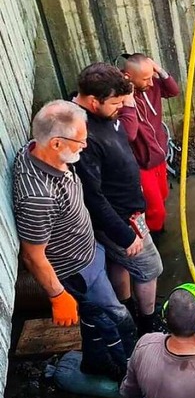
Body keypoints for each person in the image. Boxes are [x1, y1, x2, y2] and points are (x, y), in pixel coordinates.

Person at [12, 100, 137, 381]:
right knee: (117, 320)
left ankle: (94, 361)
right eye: (80, 141)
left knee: (93, 317)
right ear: (56, 143)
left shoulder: (36, 149)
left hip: (88, 252)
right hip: (76, 270)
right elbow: (32, 255)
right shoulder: (38, 197)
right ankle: (128, 375)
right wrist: (57, 296)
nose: (85, 145)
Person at [72, 62, 163, 335]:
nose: (120, 108)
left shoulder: (104, 116)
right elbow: (93, 196)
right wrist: (125, 235)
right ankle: (147, 322)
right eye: (115, 103)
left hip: (129, 211)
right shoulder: (81, 134)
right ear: (92, 101)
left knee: (118, 263)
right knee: (150, 267)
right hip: (120, 221)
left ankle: (127, 309)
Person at [119, 53, 180, 234]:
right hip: (141, 163)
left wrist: (157, 68)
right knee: (155, 211)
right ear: (129, 77)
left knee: (163, 196)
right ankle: (153, 238)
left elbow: (173, 90)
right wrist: (128, 99)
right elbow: (128, 134)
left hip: (158, 156)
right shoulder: (120, 98)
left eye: (151, 76)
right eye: (146, 78)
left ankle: (156, 229)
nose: (151, 83)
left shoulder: (150, 87)